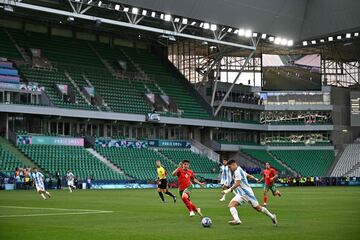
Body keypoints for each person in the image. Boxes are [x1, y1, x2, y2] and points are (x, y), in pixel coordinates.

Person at [222, 160, 277, 226]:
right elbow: (247, 175)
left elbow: (237, 184)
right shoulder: (239, 169)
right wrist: (254, 178)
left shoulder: (237, 172)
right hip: (241, 194)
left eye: (229, 167)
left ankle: (272, 216)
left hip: (247, 193)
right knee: (231, 205)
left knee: (258, 208)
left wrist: (227, 191)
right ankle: (237, 220)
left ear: (233, 164)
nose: (229, 169)